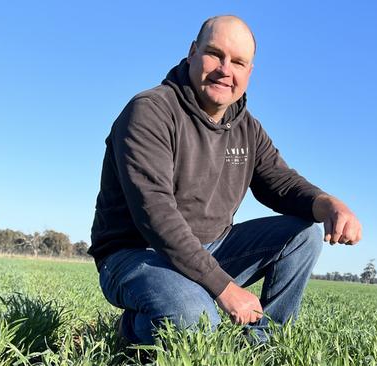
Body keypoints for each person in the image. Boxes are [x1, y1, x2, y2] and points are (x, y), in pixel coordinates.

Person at [88, 15, 362, 345]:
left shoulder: (247, 128)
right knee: (196, 317)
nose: (225, 69)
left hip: (213, 247)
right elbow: (155, 215)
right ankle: (130, 330)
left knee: (304, 235)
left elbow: (281, 183)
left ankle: (258, 346)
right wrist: (224, 288)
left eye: (238, 62)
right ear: (192, 52)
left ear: (249, 72)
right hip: (136, 254)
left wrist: (328, 204)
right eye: (215, 54)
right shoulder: (150, 111)